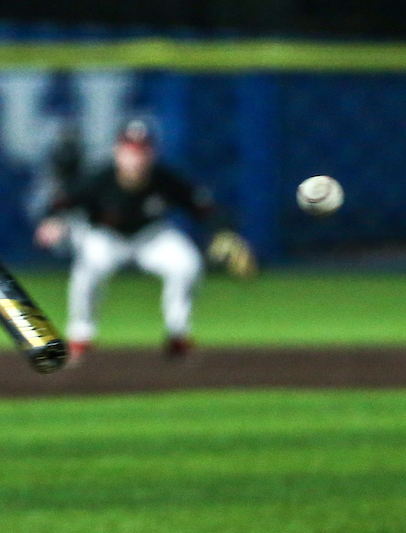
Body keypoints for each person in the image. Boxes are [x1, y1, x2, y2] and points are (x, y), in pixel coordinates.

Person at [34, 119, 255, 364]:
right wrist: (52, 221)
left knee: (186, 264)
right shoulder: (99, 179)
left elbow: (204, 208)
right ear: (118, 152)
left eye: (142, 150)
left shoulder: (164, 178)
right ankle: (80, 335)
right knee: (90, 265)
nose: (136, 157)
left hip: (151, 237)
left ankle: (178, 334)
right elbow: (60, 203)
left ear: (151, 153)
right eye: (130, 150)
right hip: (107, 237)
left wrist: (223, 231)